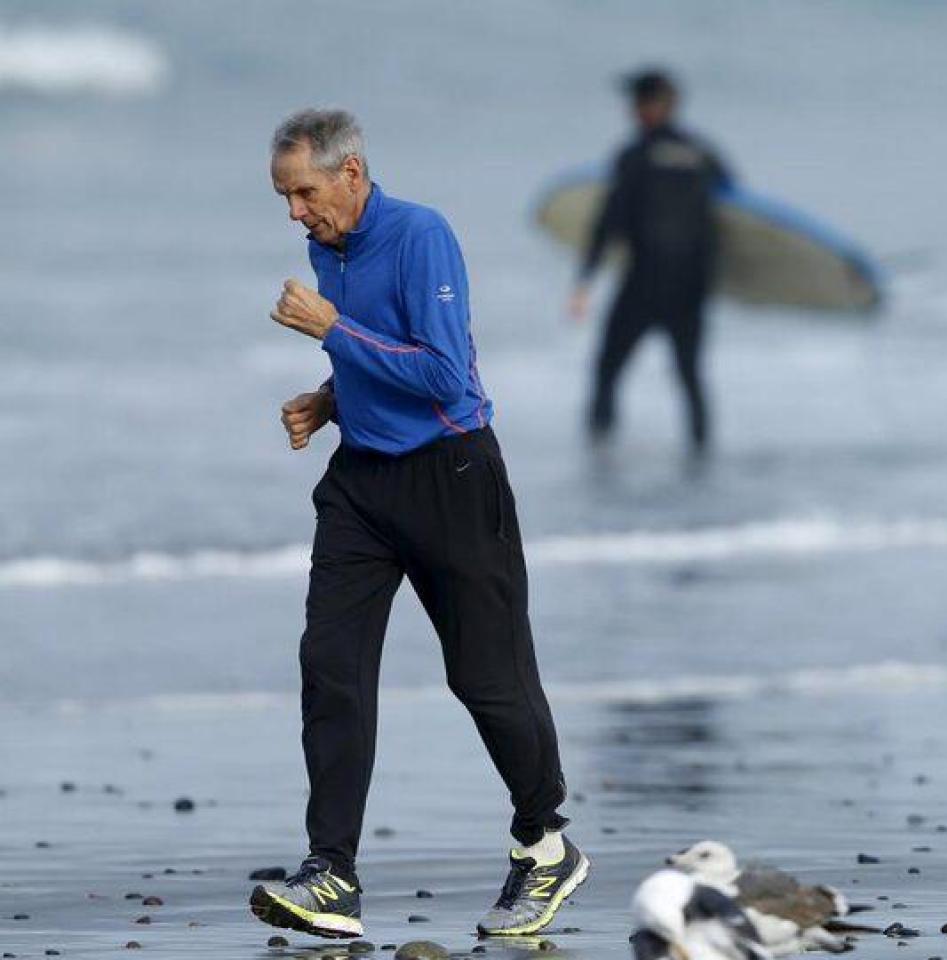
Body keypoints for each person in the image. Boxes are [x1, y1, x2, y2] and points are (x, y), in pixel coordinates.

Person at [256, 108, 588, 940]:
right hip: (363, 487)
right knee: (329, 665)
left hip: (453, 473)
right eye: (286, 198)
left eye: (304, 193)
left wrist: (332, 331)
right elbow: (379, 351)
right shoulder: (325, 246)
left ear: (352, 174)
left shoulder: (422, 236)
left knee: (486, 680)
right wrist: (330, 402)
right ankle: (330, 872)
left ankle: (544, 846)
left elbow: (443, 373)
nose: (295, 212)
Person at [570, 67, 734, 453]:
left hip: (643, 286)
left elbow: (610, 221)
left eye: (640, 101)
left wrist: (584, 282)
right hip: (691, 288)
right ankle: (701, 463)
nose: (633, 109)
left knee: (607, 372)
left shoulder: (633, 156)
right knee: (690, 378)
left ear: (659, 105)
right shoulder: (704, 155)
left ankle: (599, 457)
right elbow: (737, 215)